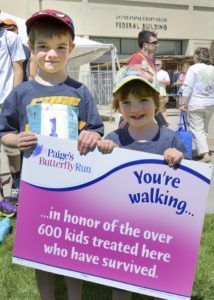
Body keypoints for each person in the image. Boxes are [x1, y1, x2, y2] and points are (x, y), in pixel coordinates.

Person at [0, 9, 104, 300]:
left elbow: (96, 129)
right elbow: (3, 131)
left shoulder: (81, 92)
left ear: (71, 50)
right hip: (36, 188)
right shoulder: (21, 94)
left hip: (74, 187)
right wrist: (14, 139)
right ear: (32, 49)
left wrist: (91, 135)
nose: (51, 54)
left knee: (73, 248)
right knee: (40, 251)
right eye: (43, 46)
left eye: (60, 47)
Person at [97, 64, 189, 300]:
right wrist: (104, 153)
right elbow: (99, 186)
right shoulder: (114, 139)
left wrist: (179, 159)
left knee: (160, 279)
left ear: (158, 102)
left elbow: (191, 184)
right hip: (122, 230)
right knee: (120, 281)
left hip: (159, 230)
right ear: (118, 107)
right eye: (126, 102)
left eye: (143, 100)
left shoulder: (170, 139)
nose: (135, 108)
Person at [0, 17, 26, 206]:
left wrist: (14, 100)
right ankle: (1, 198)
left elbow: (18, 69)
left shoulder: (10, 38)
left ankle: (16, 185)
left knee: (13, 149)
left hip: (6, 102)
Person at [181, 47, 214, 163]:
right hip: (210, 103)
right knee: (204, 129)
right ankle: (202, 150)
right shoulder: (212, 68)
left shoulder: (193, 69)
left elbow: (188, 87)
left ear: (197, 56)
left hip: (196, 103)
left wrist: (183, 103)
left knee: (197, 129)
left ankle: (205, 154)